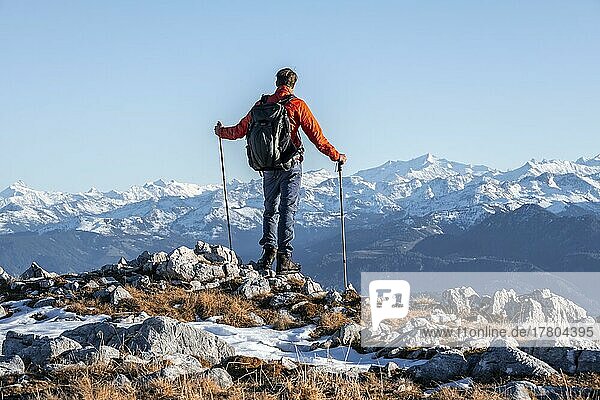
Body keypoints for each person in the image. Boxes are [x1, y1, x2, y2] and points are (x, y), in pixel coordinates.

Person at [215, 68, 346, 275]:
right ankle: (285, 259)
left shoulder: (261, 106)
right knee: (288, 209)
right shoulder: (297, 105)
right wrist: (336, 156)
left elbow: (239, 130)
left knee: (270, 209)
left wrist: (220, 132)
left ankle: (267, 255)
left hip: (268, 166)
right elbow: (317, 138)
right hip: (290, 165)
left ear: (276, 82)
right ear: (293, 84)